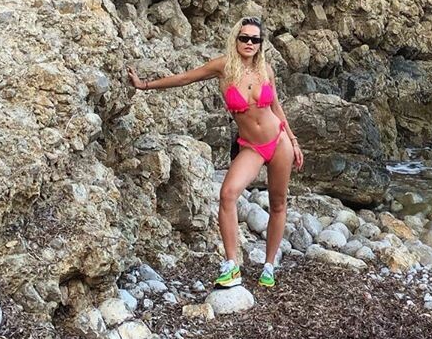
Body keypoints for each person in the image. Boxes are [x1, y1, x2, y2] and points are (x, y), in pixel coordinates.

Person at [127, 15, 303, 289]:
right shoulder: (223, 68)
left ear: (261, 43)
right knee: (228, 194)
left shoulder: (266, 70)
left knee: (278, 203)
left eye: (255, 39)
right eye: (244, 38)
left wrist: (293, 140)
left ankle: (269, 266)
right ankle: (232, 266)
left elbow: (276, 108)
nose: (249, 43)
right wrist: (145, 85)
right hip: (252, 147)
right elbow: (185, 78)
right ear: (236, 39)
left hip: (279, 141)